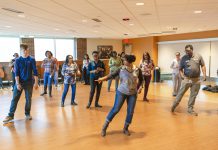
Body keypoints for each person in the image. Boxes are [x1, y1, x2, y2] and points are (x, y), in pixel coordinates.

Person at [96, 54, 143, 137]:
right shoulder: (121, 68)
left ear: (129, 61)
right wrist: (102, 79)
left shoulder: (137, 69)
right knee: (116, 109)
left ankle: (125, 128)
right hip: (121, 92)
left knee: (130, 111)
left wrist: (140, 87)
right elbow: (112, 75)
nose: (123, 61)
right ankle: (104, 127)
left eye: (124, 60)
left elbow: (141, 80)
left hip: (132, 93)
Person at [3, 44, 38, 123]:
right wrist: (18, 84)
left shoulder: (32, 59)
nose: (25, 52)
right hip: (19, 83)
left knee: (28, 99)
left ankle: (27, 113)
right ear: (21, 51)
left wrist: (36, 83)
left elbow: (35, 71)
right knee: (15, 99)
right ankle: (10, 115)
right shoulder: (18, 60)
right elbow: (16, 73)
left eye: (26, 50)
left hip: (29, 82)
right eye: (23, 50)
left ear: (28, 50)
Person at [171, 45, 206, 116]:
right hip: (187, 79)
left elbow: (203, 65)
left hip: (196, 79)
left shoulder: (198, 56)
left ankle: (190, 109)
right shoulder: (184, 58)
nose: (187, 52)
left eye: (188, 51)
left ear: (192, 50)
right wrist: (182, 76)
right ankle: (174, 105)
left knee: (193, 95)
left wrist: (204, 75)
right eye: (186, 51)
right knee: (180, 93)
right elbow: (180, 69)